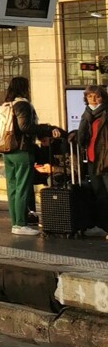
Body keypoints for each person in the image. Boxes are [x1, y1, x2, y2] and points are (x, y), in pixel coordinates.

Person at [0, 75, 55, 236]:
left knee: (12, 188)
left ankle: (15, 222)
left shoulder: (6, 105)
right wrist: (46, 128)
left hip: (7, 151)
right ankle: (21, 224)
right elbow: (25, 127)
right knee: (23, 187)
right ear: (25, 88)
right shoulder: (22, 104)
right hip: (22, 150)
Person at [79, 85, 107, 236]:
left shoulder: (106, 113)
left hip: (106, 159)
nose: (93, 99)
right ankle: (103, 225)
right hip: (92, 159)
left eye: (97, 96)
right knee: (99, 194)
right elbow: (82, 137)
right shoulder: (87, 114)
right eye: (90, 96)